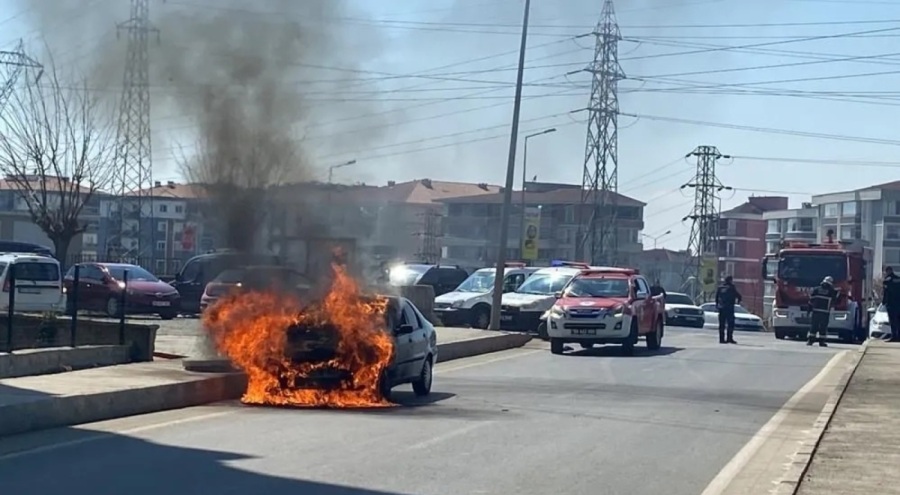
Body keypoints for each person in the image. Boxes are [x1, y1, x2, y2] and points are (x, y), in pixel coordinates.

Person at [808, 276, 839, 347]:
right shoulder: (832, 291)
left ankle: (810, 341)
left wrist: (809, 310)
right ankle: (821, 342)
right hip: (825, 313)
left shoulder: (816, 289)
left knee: (813, 326)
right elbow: (835, 301)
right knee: (823, 327)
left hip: (815, 312)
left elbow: (810, 301)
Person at [715, 275, 742, 344]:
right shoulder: (731, 287)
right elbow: (738, 296)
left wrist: (717, 305)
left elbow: (716, 297)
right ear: (730, 280)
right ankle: (729, 338)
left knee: (722, 324)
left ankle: (721, 339)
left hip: (721, 308)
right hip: (729, 308)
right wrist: (738, 301)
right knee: (730, 324)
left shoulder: (720, 287)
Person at [881, 266, 900, 341]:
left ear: (888, 271)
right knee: (898, 320)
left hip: (891, 304)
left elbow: (886, 293)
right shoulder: (898, 279)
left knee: (893, 321)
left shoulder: (887, 281)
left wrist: (884, 302)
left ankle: (894, 336)